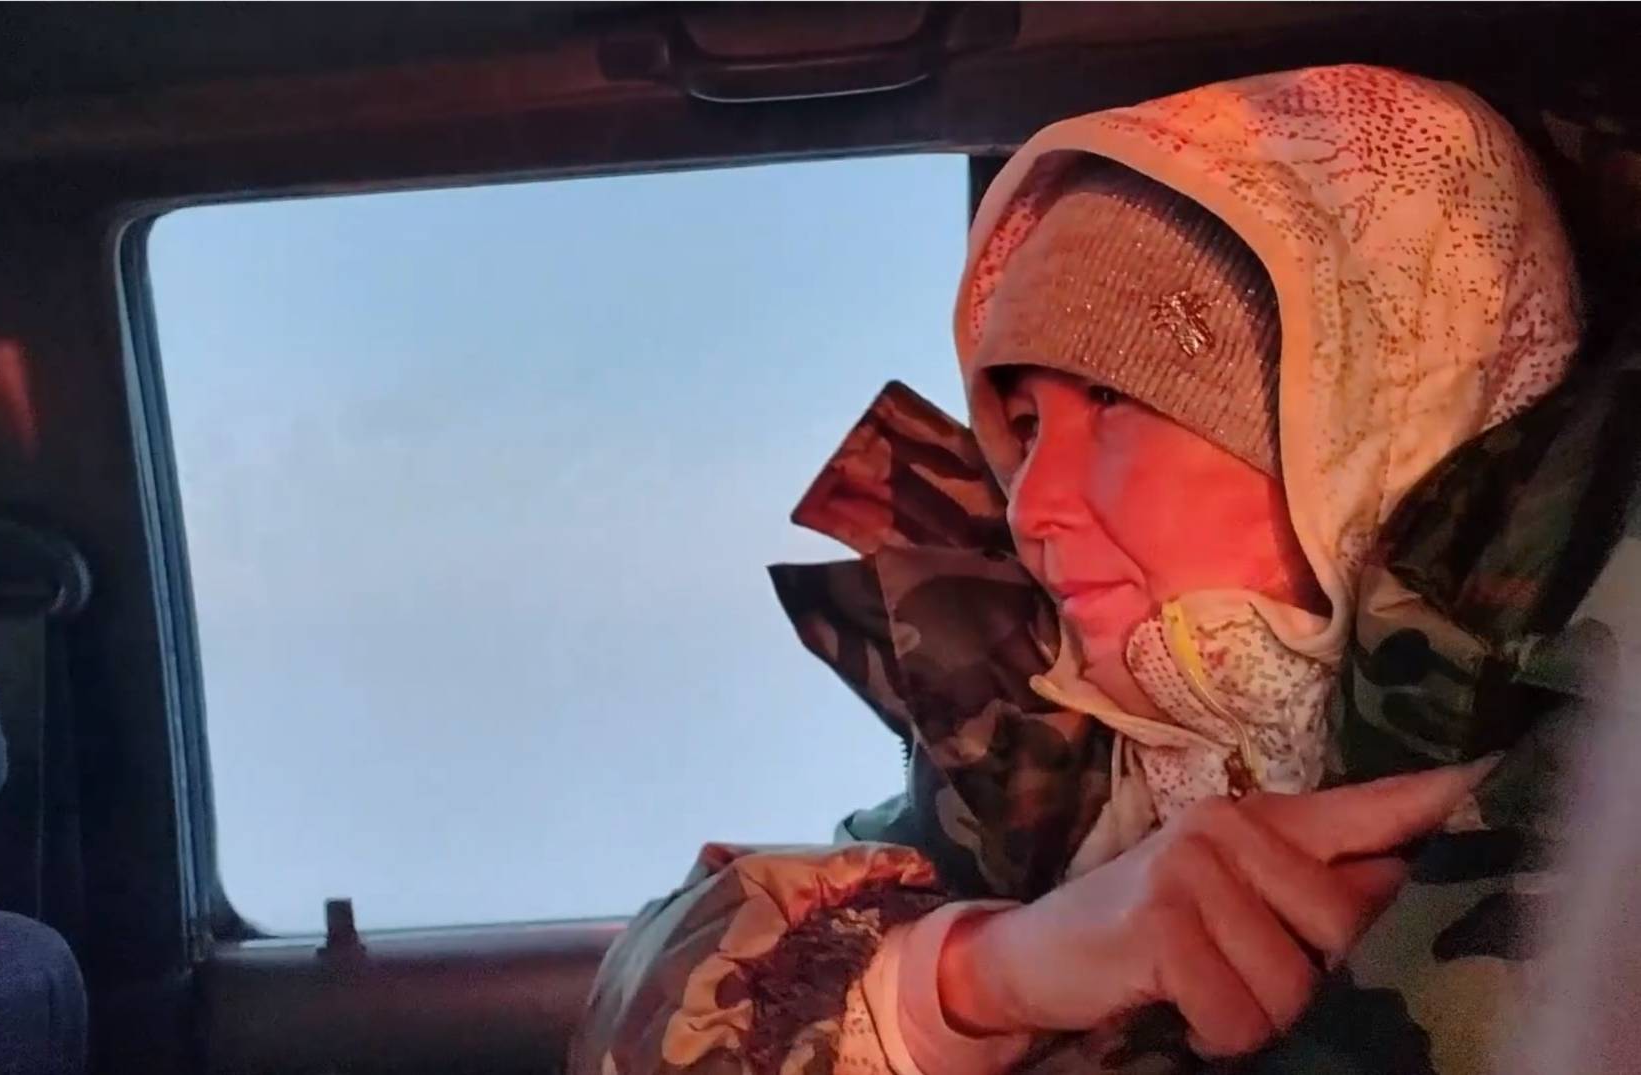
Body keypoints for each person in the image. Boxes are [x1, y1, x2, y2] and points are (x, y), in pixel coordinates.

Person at [570, 64, 1623, 1075]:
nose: (1031, 504)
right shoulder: (1046, 778)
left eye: (1114, 400)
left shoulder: (1597, 809)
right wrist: (972, 981)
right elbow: (656, 1004)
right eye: (1025, 427)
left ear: (1365, 423)